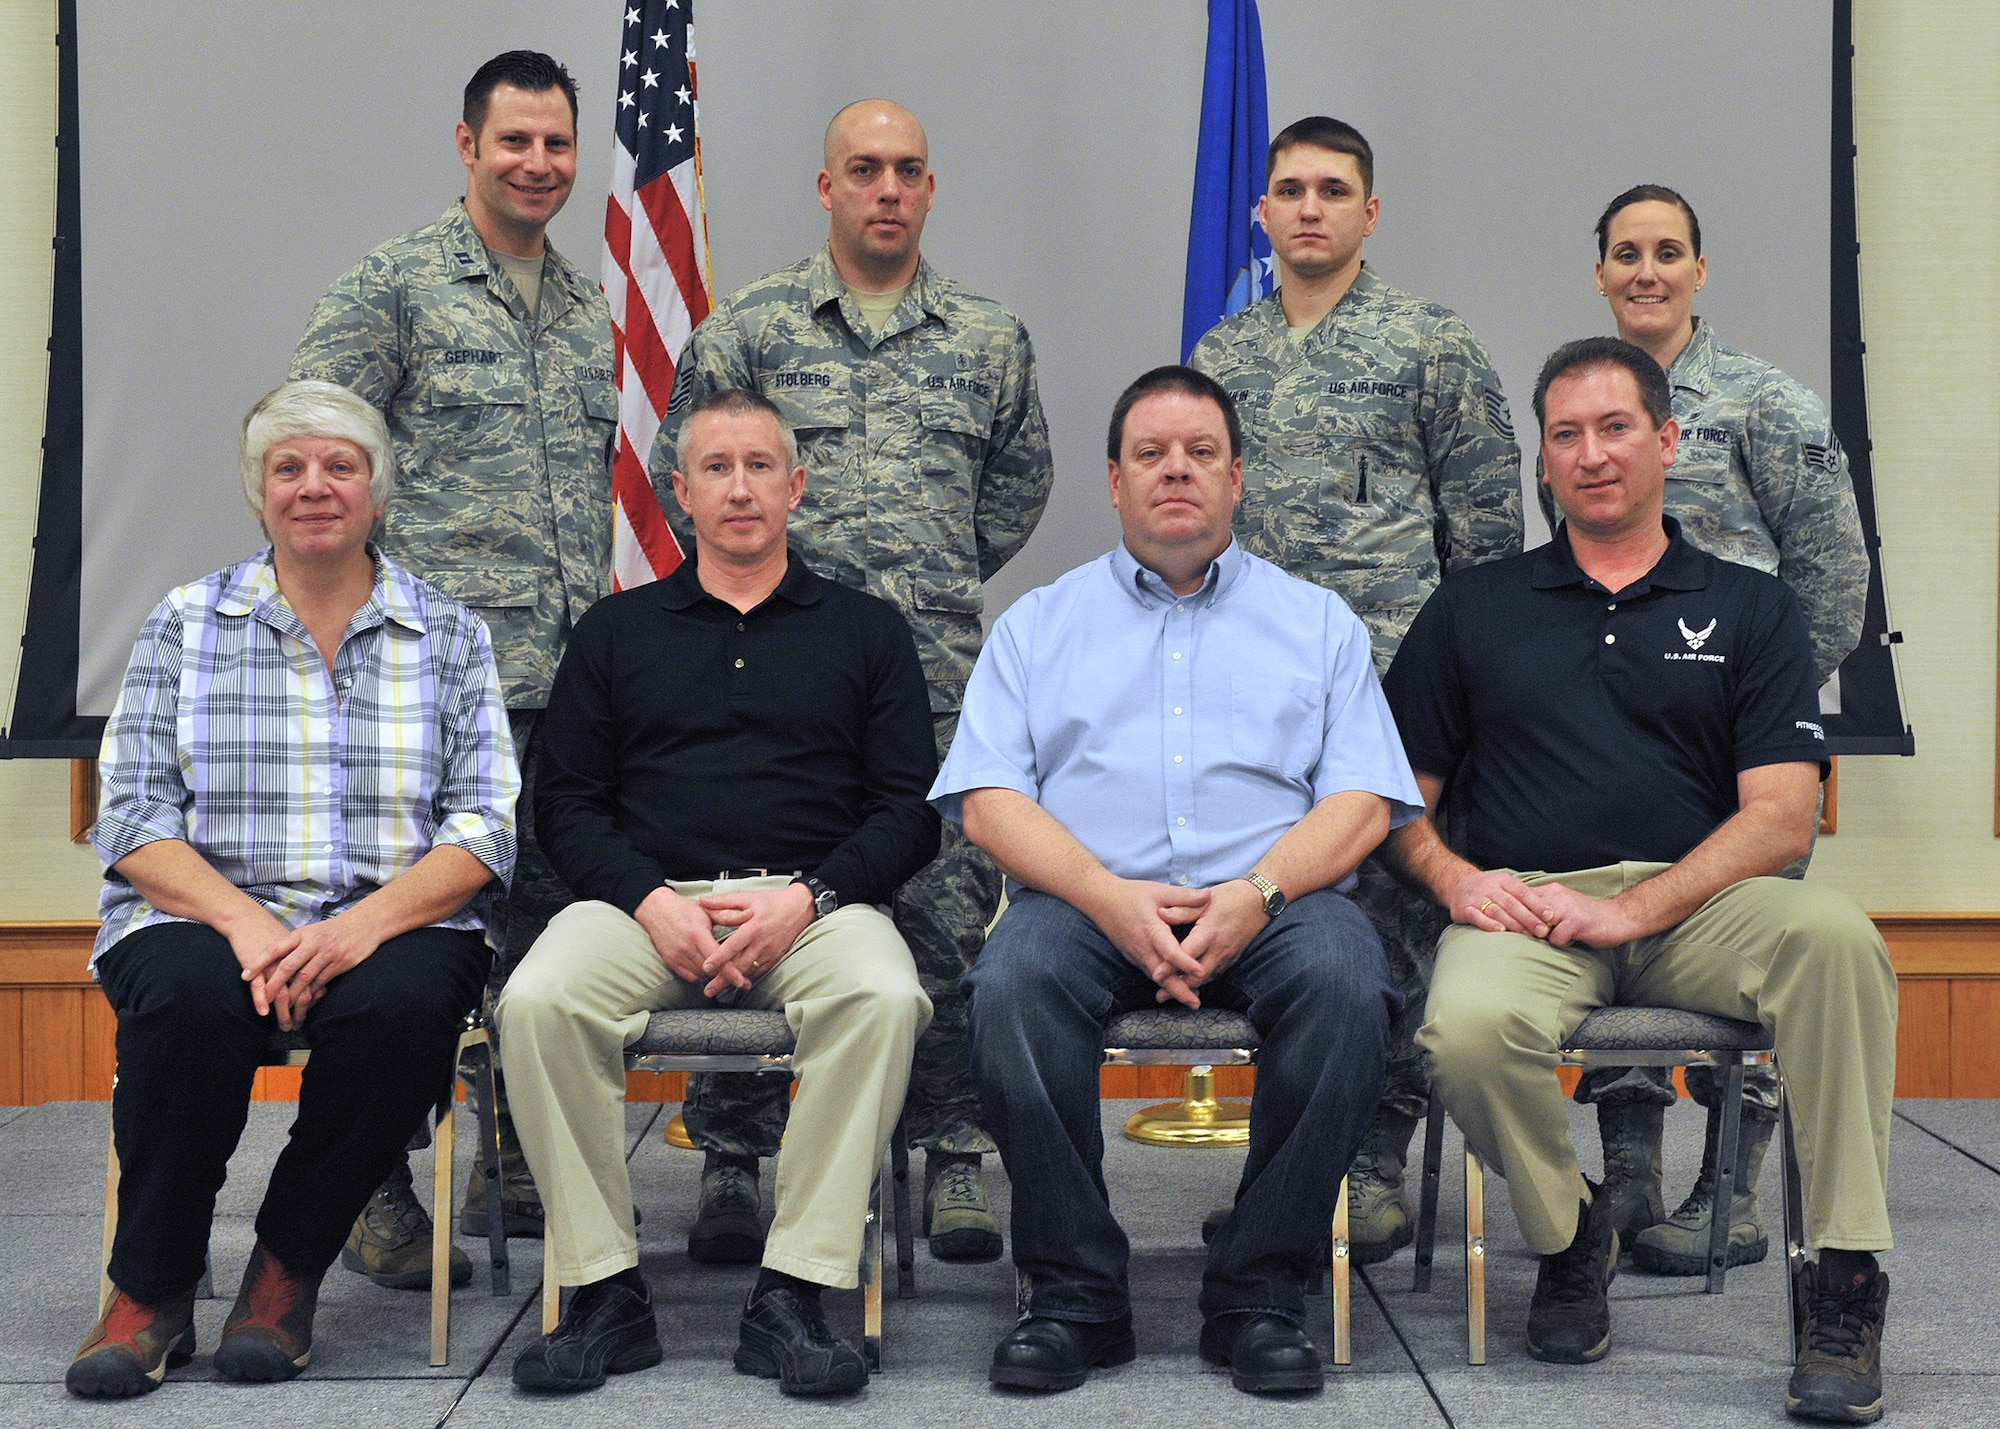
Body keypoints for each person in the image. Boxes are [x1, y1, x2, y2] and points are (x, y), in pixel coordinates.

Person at [1382, 338, 1894, 1424]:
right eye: (1562, 435)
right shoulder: (1471, 607)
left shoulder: (1751, 608)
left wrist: (1629, 908)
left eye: (1613, 428)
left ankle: (1844, 1280)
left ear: (1663, 441)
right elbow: (1395, 803)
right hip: (1524, 907)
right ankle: (1572, 1237)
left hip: (1696, 906)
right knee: (1463, 1026)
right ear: (1542, 460)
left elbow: (1778, 815)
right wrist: (1454, 878)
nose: (1589, 454)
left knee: (1838, 937)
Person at [933, 366, 1420, 1395]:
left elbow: (1362, 802)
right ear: (1112, 482)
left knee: (1348, 978)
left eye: (1200, 453)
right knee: (1009, 985)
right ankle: (1072, 1294)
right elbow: (985, 801)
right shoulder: (1037, 624)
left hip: (1275, 901)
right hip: (1086, 903)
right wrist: (1110, 897)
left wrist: (1257, 894)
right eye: (1150, 454)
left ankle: (1257, 1288)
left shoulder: (1317, 623)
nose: (1175, 472)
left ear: (1236, 478)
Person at [647, 98, 1051, 1266]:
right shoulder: (751, 330)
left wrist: (920, 583)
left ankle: (954, 1148)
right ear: (824, 187)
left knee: (942, 914)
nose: (886, 188)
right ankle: (731, 1152)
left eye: (907, 170)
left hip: (931, 674)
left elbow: (1009, 495)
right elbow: (697, 465)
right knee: (744, 881)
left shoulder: (987, 336)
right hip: (771, 672)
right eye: (862, 168)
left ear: (930, 189)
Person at [65, 381, 517, 1398]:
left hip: (393, 918)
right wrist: (249, 925)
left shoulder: (450, 635)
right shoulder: (187, 621)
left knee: (402, 1007)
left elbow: (486, 828)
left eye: (339, 466)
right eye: (289, 468)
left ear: (376, 491)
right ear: (259, 492)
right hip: (200, 914)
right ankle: (151, 1290)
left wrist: (352, 932)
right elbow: (132, 815)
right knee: (184, 999)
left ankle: (284, 1268)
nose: (314, 486)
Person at [499, 389, 938, 1397]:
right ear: (679, 492)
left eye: (758, 466)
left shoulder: (867, 633)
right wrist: (652, 902)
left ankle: (792, 1291)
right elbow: (565, 808)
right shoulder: (614, 633)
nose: (739, 488)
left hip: (812, 909)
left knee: (881, 994)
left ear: (795, 485)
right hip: (643, 907)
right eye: (715, 468)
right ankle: (603, 1289)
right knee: (536, 999)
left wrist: (808, 897)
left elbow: (907, 813)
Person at [290, 49, 616, 1282]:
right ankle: (372, 1183)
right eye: (514, 141)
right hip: (424, 683)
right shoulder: (395, 288)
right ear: (467, 144)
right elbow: (317, 466)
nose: (538, 164)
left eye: (556, 145)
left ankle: (519, 1155)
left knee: (543, 931)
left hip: (565, 681)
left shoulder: (590, 308)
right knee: (402, 939)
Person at [1187, 115, 1522, 1264]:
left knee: (1389, 931)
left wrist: (1464, 699)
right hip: (1256, 702)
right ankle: (1285, 1164)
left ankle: (1368, 1158)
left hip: (1393, 698)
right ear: (1261, 213)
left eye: (1334, 189)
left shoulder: (1431, 344)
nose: (1310, 207)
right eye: (1289, 189)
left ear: (1369, 213)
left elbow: (1483, 546)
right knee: (1285, 929)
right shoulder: (1220, 359)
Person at [1565, 184, 1872, 1271]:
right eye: (1623, 253)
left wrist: (1757, 707)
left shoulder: (1763, 403)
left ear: (1699, 270)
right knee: (1616, 947)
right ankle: (1632, 1179)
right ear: (1598, 274)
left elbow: (1832, 578)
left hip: (1737, 761)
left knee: (1745, 978)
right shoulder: (1583, 406)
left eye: (1666, 252)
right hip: (1610, 749)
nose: (1644, 270)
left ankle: (1732, 1195)